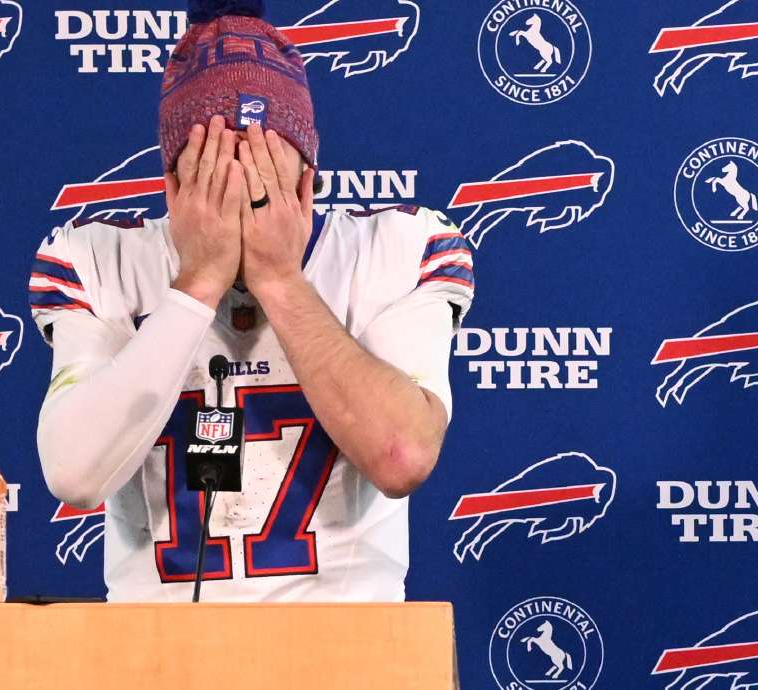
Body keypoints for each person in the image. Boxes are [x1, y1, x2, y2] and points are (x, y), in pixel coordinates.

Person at [30, 0, 474, 602]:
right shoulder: (96, 260)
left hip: (350, 645)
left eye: (263, 178)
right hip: (157, 646)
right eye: (213, 178)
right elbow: (75, 476)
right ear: (172, 187)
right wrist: (196, 284)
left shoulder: (394, 249)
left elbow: (402, 456)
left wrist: (281, 281)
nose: (238, 201)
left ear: (307, 183)